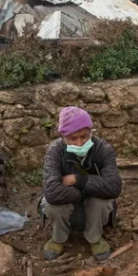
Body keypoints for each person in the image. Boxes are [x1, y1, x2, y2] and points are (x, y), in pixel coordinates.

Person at [41, 106, 122, 261]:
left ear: (91, 131)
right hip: (69, 198)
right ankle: (58, 238)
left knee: (100, 202)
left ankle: (94, 238)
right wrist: (85, 191)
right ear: (63, 136)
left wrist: (78, 180)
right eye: (73, 138)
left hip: (87, 197)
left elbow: (114, 186)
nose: (79, 143)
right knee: (53, 206)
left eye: (84, 137)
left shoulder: (103, 149)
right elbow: (51, 192)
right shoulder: (55, 151)